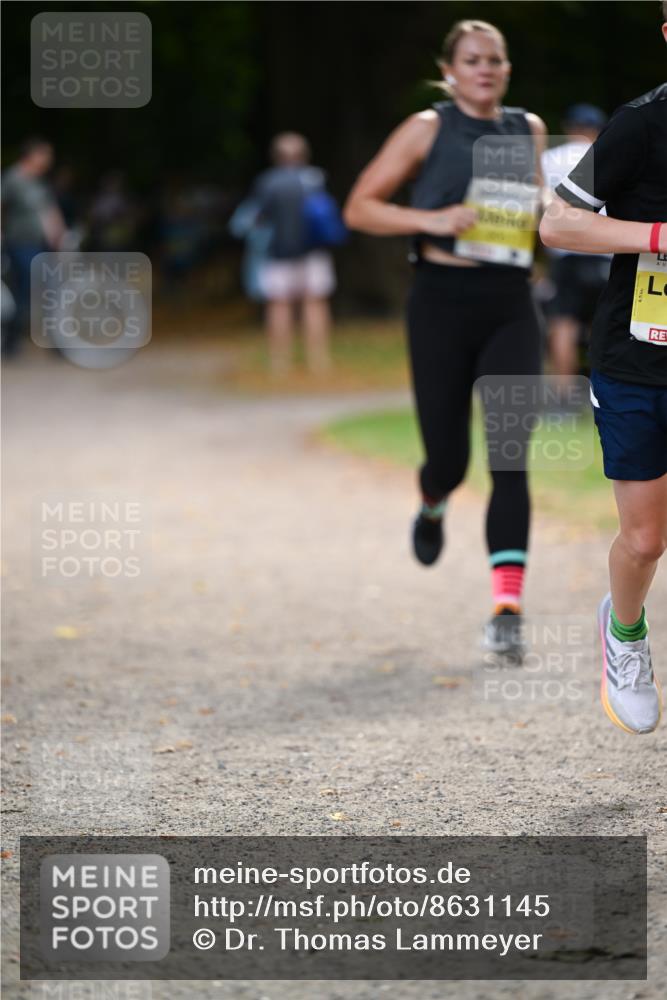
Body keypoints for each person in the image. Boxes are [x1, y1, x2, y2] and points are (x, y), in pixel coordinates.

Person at [344, 19, 547, 656]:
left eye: (495, 60)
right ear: (449, 69)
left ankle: (506, 610)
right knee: (450, 461)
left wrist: (543, 208)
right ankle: (433, 500)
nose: (485, 69)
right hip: (440, 302)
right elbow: (360, 207)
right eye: (472, 59)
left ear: (507, 70)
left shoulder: (528, 128)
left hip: (511, 302)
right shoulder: (426, 128)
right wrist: (431, 218)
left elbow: (536, 201)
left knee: (510, 453)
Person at [539, 4, 667, 734]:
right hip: (635, 359)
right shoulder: (639, 123)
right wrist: (656, 235)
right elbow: (557, 224)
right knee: (646, 539)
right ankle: (623, 633)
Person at [251, 132, 337, 376]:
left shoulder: (268, 182)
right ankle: (319, 360)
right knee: (315, 303)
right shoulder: (315, 178)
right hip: (314, 252)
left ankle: (280, 363)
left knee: (279, 305)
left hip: (278, 253)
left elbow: (259, 218)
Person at [541, 104, 611, 394]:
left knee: (564, 325)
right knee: (604, 326)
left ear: (569, 128)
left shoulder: (549, 159)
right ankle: (603, 393)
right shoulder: (608, 156)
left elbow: (539, 204)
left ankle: (565, 398)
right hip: (606, 251)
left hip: (567, 253)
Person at [1, 137, 64, 355]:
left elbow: (49, 210)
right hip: (19, 243)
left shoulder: (39, 182)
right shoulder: (12, 178)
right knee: (42, 287)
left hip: (40, 245)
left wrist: (59, 235)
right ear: (32, 155)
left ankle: (11, 344)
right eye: (46, 154)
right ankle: (56, 344)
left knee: (26, 293)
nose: (49, 159)